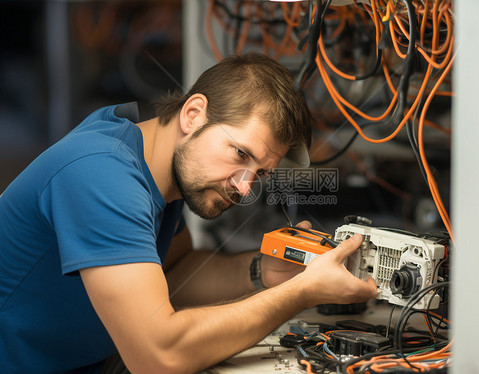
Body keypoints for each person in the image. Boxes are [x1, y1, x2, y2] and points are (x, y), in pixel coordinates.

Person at [0, 52, 378, 374]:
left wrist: (263, 272)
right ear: (194, 114)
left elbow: (176, 273)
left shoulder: (160, 168)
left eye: (260, 173)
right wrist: (301, 292)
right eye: (240, 154)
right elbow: (158, 355)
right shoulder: (103, 174)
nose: (245, 187)